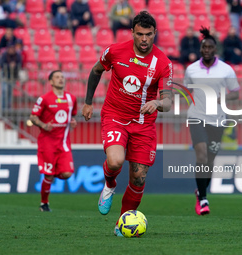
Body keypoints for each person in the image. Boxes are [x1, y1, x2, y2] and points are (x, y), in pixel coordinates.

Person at [81, 11, 172, 236]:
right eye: (139, 34)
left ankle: (121, 224)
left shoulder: (163, 63)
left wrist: (157, 103)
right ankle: (109, 184)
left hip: (143, 124)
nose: (144, 39)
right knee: (115, 161)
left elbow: (169, 101)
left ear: (155, 34)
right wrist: (88, 102)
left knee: (139, 178)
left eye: (148, 35)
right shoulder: (114, 51)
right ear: (132, 32)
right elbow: (95, 71)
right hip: (115, 115)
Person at [184, 27, 240, 216]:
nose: (206, 49)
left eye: (210, 47)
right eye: (204, 47)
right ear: (200, 49)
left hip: (218, 119)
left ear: (215, 50)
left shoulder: (226, 70)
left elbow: (236, 93)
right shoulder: (191, 69)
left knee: (210, 160)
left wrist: (221, 97)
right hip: (196, 117)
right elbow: (187, 90)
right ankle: (203, 199)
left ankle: (200, 190)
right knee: (201, 155)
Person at [30, 70, 77, 212]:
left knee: (68, 173)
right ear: (51, 82)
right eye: (57, 77)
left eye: (62, 77)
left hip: (63, 143)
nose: (60, 79)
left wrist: (73, 123)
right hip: (47, 143)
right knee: (48, 175)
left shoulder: (71, 98)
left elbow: (72, 116)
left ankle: (52, 173)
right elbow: (33, 117)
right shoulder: (44, 99)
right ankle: (44, 203)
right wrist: (44, 125)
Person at [0, 44, 21, 109]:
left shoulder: (17, 55)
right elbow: (1, 64)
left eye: (12, 48)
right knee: (4, 91)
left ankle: (8, 109)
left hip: (13, 76)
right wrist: (9, 66)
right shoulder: (4, 55)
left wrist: (15, 66)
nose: (11, 50)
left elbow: (20, 64)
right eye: (10, 48)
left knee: (10, 93)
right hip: (5, 76)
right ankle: (3, 108)